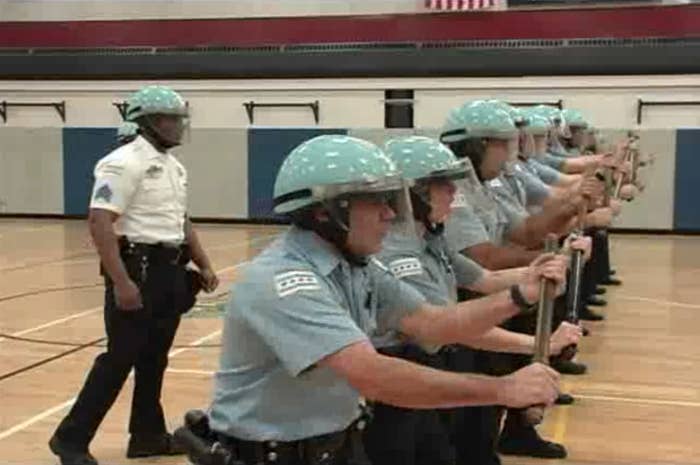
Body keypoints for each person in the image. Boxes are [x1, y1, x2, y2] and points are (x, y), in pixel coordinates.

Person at [187, 134, 567, 465]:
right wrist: (502, 390)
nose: (390, 214)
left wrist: (520, 293)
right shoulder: (283, 280)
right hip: (274, 453)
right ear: (327, 211)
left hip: (338, 445)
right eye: (375, 202)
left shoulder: (359, 267)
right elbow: (375, 376)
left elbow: (433, 325)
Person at [361, 135, 583, 465]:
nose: (454, 193)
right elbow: (445, 326)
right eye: (444, 186)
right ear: (415, 193)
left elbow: (487, 279)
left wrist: (543, 267)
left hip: (435, 362)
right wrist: (539, 342)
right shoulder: (397, 255)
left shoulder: (430, 239)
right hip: (406, 372)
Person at [49, 85, 219, 465]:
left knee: (154, 358)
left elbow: (181, 220)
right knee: (119, 358)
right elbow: (100, 221)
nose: (177, 126)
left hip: (170, 271)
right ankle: (70, 439)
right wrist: (122, 282)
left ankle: (147, 436)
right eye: (169, 119)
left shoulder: (174, 167)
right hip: (138, 271)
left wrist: (203, 262)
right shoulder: (122, 162)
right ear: (146, 122)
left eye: (179, 119)